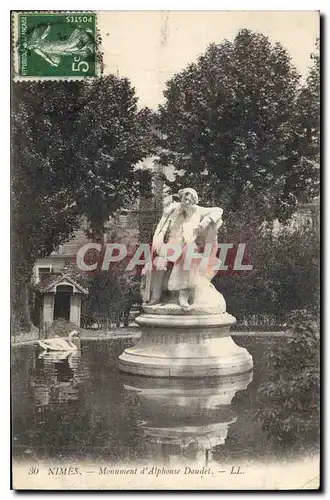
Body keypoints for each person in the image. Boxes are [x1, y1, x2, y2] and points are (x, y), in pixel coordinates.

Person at [143, 188, 223, 310]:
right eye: (185, 198)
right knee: (158, 262)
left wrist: (206, 221)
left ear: (194, 201)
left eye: (190, 198)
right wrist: (157, 243)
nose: (187, 201)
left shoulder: (198, 210)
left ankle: (183, 294)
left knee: (190, 251)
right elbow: (161, 229)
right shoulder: (174, 210)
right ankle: (155, 296)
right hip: (171, 247)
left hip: (187, 247)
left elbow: (219, 210)